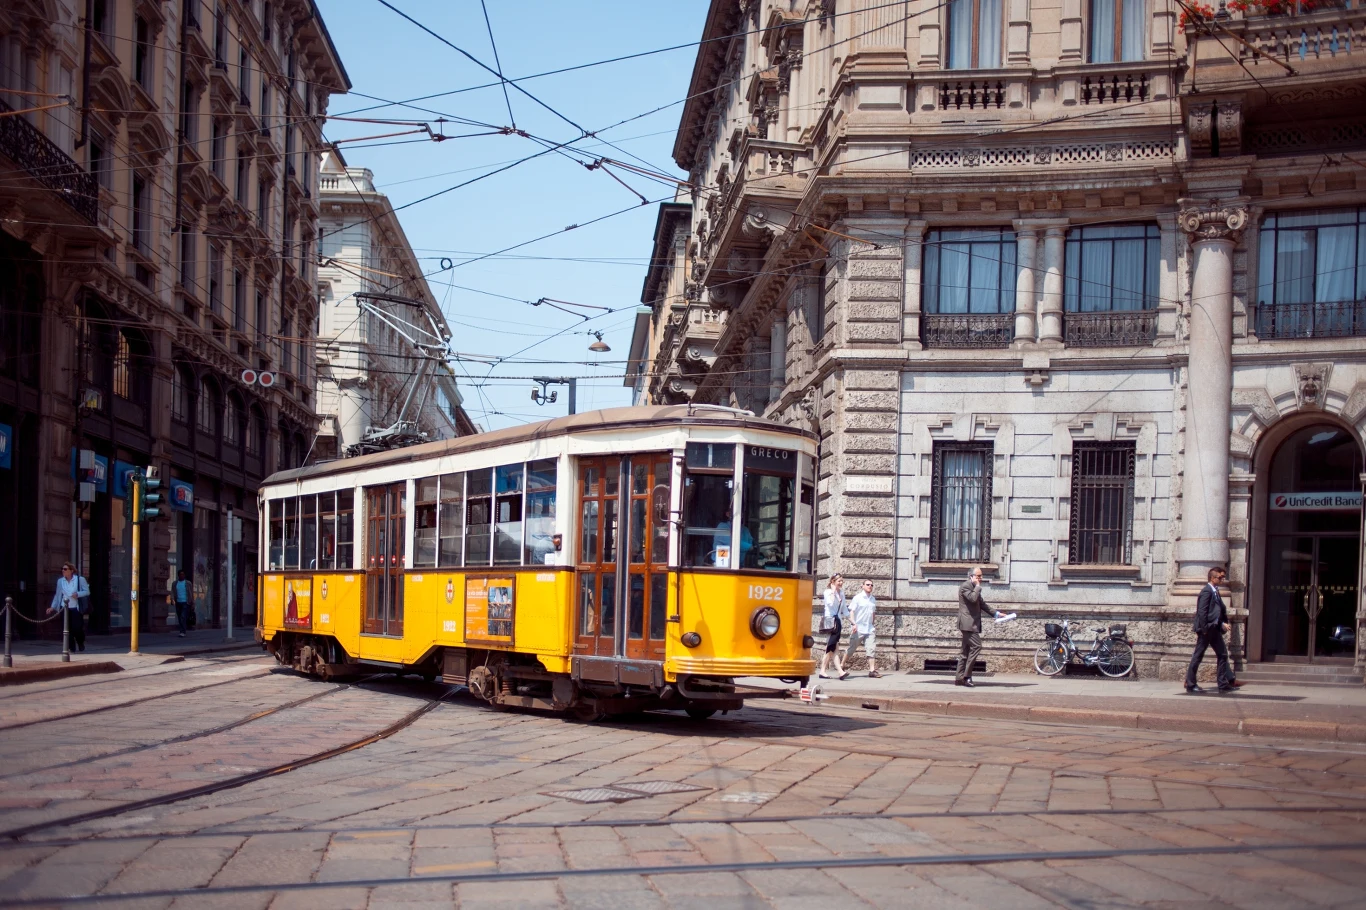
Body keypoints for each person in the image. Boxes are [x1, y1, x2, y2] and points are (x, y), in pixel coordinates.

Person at [1186, 566, 1243, 693]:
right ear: (1212, 578)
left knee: (1222, 654)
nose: (1222, 579)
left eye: (1223, 577)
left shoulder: (1215, 591)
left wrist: (1222, 623)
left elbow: (1216, 612)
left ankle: (1222, 683)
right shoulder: (1207, 591)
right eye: (1220, 577)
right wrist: (1205, 629)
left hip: (1214, 629)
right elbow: (1202, 611)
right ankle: (1190, 684)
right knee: (1198, 656)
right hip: (1206, 630)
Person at [956, 567, 1000, 687]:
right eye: (978, 576)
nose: (980, 578)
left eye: (981, 576)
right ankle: (967, 676)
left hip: (971, 624)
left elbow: (982, 604)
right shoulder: (965, 586)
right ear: (971, 576)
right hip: (967, 624)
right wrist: (977, 586)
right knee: (977, 646)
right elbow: (972, 598)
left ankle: (959, 678)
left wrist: (996, 614)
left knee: (965, 652)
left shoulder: (974, 588)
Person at [48, 562, 90, 652]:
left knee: (77, 628)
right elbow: (57, 595)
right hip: (64, 608)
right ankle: (71, 647)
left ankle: (80, 642)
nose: (63, 571)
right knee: (67, 629)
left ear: (71, 571)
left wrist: (78, 594)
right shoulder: (60, 581)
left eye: (65, 569)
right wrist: (52, 607)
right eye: (62, 569)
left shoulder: (80, 579)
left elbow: (87, 591)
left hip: (76, 608)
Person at [843, 580, 882, 678]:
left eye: (871, 585)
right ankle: (842, 665)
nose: (870, 586)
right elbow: (851, 611)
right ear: (862, 586)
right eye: (868, 585)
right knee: (852, 649)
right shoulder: (857, 598)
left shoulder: (873, 599)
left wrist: (873, 623)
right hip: (858, 628)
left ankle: (872, 670)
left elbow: (873, 612)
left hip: (869, 629)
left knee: (871, 649)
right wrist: (853, 624)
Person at [818, 574, 850, 680]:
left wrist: (853, 622)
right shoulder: (828, 592)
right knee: (831, 646)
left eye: (842, 581)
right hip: (830, 621)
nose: (841, 583)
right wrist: (833, 592)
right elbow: (830, 604)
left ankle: (831, 671)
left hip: (838, 621)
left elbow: (844, 610)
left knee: (834, 647)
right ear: (833, 581)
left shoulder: (841, 593)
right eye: (839, 581)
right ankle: (837, 671)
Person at [172, 570, 192, 638]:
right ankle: (182, 630)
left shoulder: (188, 583)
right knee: (180, 617)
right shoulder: (175, 583)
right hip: (178, 602)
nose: (182, 575)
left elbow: (190, 593)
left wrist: (191, 602)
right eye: (180, 574)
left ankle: (183, 632)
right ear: (178, 575)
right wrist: (172, 599)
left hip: (185, 602)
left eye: (183, 574)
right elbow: (172, 592)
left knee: (183, 617)